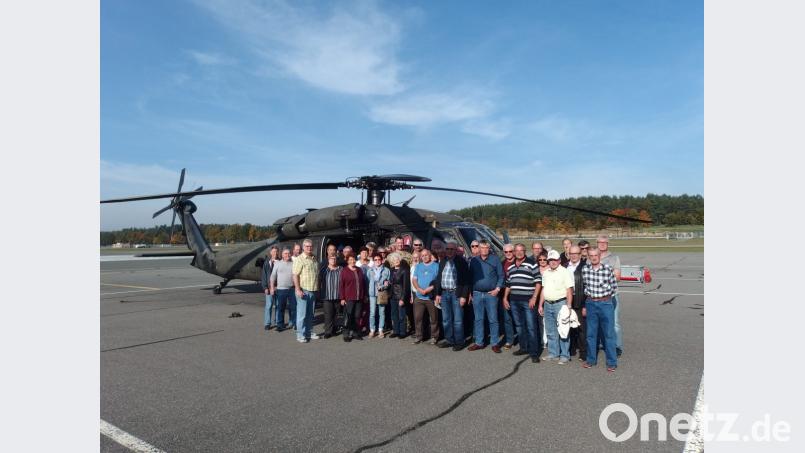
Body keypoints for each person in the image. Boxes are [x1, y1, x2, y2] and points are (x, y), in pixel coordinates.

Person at [502, 243, 542, 363]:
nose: (519, 252)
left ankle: (534, 353)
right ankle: (523, 347)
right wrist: (505, 298)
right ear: (514, 252)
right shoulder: (510, 267)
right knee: (519, 326)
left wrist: (534, 297)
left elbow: (538, 281)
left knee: (531, 327)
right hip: (514, 300)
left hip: (528, 300)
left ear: (525, 251)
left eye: (521, 250)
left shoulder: (532, 263)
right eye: (517, 251)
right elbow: (508, 284)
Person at [582, 247, 618, 372]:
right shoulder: (585, 270)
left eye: (595, 255)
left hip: (605, 303)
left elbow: (614, 287)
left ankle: (611, 362)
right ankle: (591, 360)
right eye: (590, 255)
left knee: (609, 334)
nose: (593, 257)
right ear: (588, 256)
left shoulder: (607, 269)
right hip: (591, 303)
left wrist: (605, 299)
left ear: (599, 255)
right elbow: (584, 286)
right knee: (591, 334)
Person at [433, 240, 471, 350]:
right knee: (446, 319)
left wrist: (464, 296)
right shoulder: (443, 261)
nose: (449, 251)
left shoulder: (461, 262)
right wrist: (438, 294)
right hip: (444, 293)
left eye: (452, 249)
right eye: (447, 249)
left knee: (458, 320)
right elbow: (439, 278)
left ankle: (460, 341)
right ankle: (449, 340)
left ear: (456, 250)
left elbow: (466, 281)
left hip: (456, 294)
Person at [538, 250, 574, 364]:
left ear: (559, 260)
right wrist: (540, 304)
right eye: (551, 260)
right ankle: (554, 353)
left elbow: (569, 290)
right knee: (550, 330)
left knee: (563, 330)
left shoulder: (565, 272)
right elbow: (543, 289)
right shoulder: (546, 273)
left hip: (561, 303)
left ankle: (565, 355)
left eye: (555, 260)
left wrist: (568, 306)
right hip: (548, 304)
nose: (553, 262)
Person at [468, 240, 504, 353]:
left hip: (491, 294)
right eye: (482, 247)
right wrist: (470, 292)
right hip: (477, 293)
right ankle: (479, 342)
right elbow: (470, 277)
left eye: (486, 248)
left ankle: (495, 343)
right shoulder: (474, 260)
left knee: (493, 319)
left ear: (489, 248)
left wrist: (497, 289)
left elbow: (501, 275)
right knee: (478, 319)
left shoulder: (495, 259)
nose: (484, 250)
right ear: (478, 248)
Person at [597, 235, 623, 357]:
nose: (602, 244)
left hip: (611, 295)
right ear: (597, 243)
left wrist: (599, 277)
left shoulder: (614, 258)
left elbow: (617, 277)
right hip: (596, 296)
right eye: (600, 242)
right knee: (598, 322)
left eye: (605, 242)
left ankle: (616, 346)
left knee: (614, 322)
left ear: (608, 244)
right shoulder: (592, 257)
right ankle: (601, 344)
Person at [292, 239, 320, 343]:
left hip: (312, 290)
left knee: (310, 314)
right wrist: (298, 289)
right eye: (307, 246)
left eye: (310, 246)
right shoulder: (299, 259)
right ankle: (300, 335)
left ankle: (309, 332)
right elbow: (295, 275)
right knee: (302, 314)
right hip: (303, 290)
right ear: (303, 247)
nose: (309, 248)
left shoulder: (314, 259)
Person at [411, 248, 440, 345]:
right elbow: (414, 280)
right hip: (419, 297)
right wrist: (419, 289)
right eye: (422, 256)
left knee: (434, 318)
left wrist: (429, 289)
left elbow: (438, 281)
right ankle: (419, 336)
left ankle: (434, 337)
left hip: (430, 297)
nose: (424, 257)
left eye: (426, 255)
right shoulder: (418, 266)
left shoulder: (436, 266)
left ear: (430, 255)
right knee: (418, 318)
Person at [566, 245, 587, 360]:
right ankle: (571, 349)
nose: (574, 256)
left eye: (576, 253)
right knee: (568, 326)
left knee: (581, 328)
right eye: (571, 253)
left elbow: (587, 287)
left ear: (580, 254)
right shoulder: (564, 266)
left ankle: (583, 352)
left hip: (580, 300)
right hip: (567, 300)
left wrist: (585, 305)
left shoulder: (585, 267)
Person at [339, 255, 366, 342]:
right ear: (347, 261)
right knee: (348, 316)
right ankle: (346, 333)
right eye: (350, 259)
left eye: (354, 259)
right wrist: (342, 298)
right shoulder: (344, 271)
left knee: (357, 316)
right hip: (349, 297)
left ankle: (355, 333)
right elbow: (341, 285)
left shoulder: (359, 270)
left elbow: (363, 283)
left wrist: (364, 295)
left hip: (359, 297)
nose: (353, 261)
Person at [270, 248, 295, 332]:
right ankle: (280, 325)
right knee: (280, 308)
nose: (287, 255)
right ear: (282, 255)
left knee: (293, 308)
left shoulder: (293, 264)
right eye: (285, 253)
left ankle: (294, 323)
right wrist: (272, 288)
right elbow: (273, 276)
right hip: (281, 290)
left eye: (288, 253)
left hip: (292, 289)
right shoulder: (277, 263)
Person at [367, 254, 391, 338]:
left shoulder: (386, 270)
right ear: (373, 261)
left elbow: (388, 282)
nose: (377, 261)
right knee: (372, 312)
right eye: (375, 259)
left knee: (382, 312)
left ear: (382, 260)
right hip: (372, 294)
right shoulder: (370, 270)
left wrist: (383, 286)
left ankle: (380, 329)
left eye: (379, 259)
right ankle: (372, 330)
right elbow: (368, 281)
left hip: (382, 293)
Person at [498, 243, 517, 350]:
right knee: (507, 318)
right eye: (506, 252)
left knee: (519, 319)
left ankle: (524, 339)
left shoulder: (519, 263)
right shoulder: (501, 264)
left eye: (510, 251)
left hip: (518, 294)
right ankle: (510, 340)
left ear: (514, 252)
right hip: (505, 295)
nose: (508, 254)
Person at [318, 255, 342, 338]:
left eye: (335, 259)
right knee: (328, 314)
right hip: (327, 296)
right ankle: (328, 332)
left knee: (336, 314)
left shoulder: (341, 269)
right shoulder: (324, 270)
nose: (333, 260)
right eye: (331, 259)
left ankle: (334, 329)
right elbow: (319, 281)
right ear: (328, 260)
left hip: (338, 295)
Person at [388, 254, 410, 339]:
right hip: (392, 295)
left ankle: (402, 332)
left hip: (400, 295)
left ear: (400, 260)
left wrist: (403, 298)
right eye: (394, 259)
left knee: (402, 315)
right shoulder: (391, 270)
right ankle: (396, 331)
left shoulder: (404, 270)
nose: (396, 261)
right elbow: (390, 282)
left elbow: (406, 286)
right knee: (394, 315)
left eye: (397, 259)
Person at [261, 246, 280, 331]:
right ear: (270, 253)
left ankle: (277, 322)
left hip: (278, 288)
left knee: (278, 306)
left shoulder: (280, 262)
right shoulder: (266, 263)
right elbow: (264, 276)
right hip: (269, 288)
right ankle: (267, 323)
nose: (275, 253)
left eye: (276, 251)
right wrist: (265, 287)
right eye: (273, 251)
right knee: (268, 306)